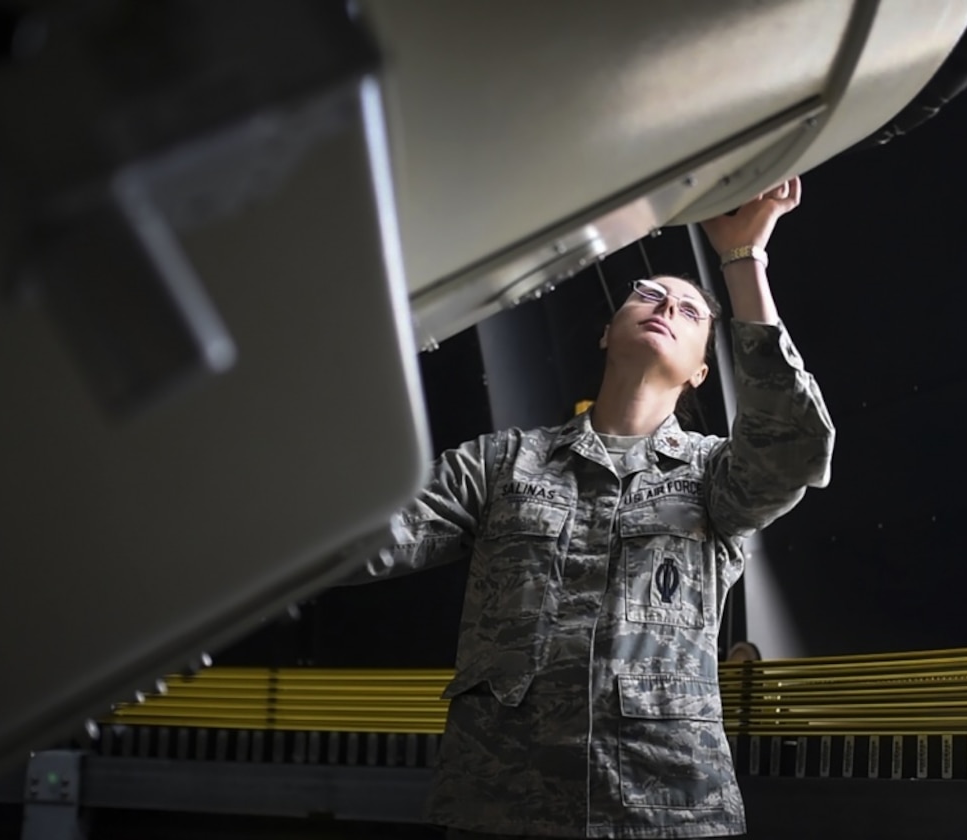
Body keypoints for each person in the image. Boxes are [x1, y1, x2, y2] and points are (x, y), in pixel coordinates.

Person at [354, 177, 834, 838]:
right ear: (608, 333)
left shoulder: (714, 477)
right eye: (647, 295)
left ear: (700, 370)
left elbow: (796, 446)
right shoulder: (502, 464)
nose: (665, 304)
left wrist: (742, 259)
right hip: (499, 808)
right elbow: (366, 538)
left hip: (663, 812)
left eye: (689, 311)